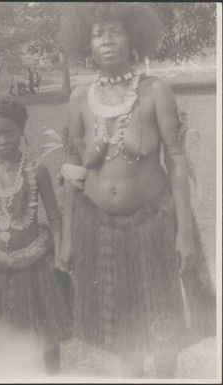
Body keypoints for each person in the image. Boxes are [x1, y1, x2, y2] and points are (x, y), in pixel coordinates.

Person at [57, 3, 215, 379]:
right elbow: (72, 170)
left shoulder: (155, 90)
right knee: (122, 327)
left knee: (162, 324)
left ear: (134, 38)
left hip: (153, 225)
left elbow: (176, 161)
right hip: (99, 230)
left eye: (115, 31)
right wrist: (66, 237)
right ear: (87, 42)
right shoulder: (80, 98)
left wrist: (186, 232)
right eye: (98, 34)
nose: (106, 41)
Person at [0, 95, 71, 374]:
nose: (3, 140)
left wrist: (60, 254)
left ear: (22, 131)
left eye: (10, 132)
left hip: (35, 264)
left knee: (47, 334)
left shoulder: (37, 170)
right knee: (4, 337)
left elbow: (54, 216)